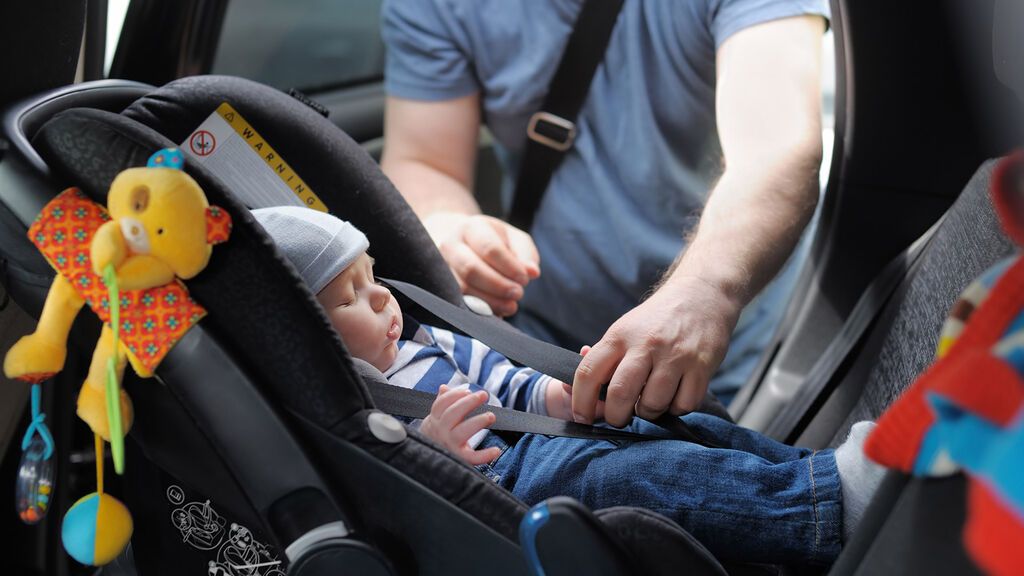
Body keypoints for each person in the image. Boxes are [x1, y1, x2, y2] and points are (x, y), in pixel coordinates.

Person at [252, 206, 884, 565]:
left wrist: (561, 395)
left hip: (544, 435)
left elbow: (503, 381)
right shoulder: (357, 404)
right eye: (351, 298)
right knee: (634, 478)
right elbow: (404, 481)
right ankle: (820, 509)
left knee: (680, 429)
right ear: (310, 333)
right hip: (508, 480)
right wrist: (440, 447)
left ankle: (817, 476)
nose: (383, 299)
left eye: (373, 278)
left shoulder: (427, 341)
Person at [378, 0, 830, 421]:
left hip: (730, 347)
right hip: (543, 348)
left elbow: (778, 149)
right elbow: (423, 160)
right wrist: (448, 225)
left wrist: (707, 290)